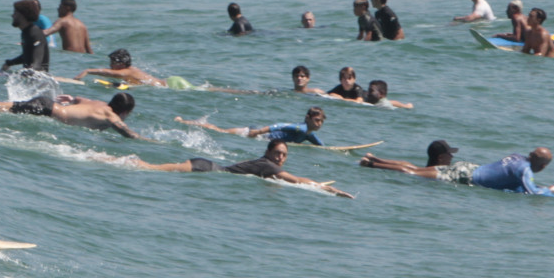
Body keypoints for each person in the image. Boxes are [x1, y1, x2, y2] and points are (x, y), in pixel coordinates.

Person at [114, 141, 354, 196]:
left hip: (206, 166)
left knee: (151, 168)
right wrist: (325, 189)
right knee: (149, 168)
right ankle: (122, 162)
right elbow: (295, 179)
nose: (281, 157)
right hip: (205, 169)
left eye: (284, 155)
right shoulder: (267, 164)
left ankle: (125, 162)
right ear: (269, 153)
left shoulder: (267, 166)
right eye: (277, 153)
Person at [0, 82, 142, 137]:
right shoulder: (110, 115)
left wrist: (71, 98)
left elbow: (79, 98)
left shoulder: (100, 104)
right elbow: (127, 133)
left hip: (48, 104)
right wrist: (148, 141)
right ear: (124, 111)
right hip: (46, 109)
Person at [176, 106, 327, 144]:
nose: (319, 124)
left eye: (321, 121)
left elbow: (320, 145)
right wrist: (258, 132)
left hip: (262, 136)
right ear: (308, 118)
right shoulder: (301, 128)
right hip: (259, 134)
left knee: (222, 130)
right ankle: (186, 122)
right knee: (221, 130)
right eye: (316, 120)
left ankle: (197, 122)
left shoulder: (310, 134)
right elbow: (279, 125)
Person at [360, 140, 477, 184]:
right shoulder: (435, 172)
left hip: (427, 168)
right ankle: (371, 163)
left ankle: (374, 159)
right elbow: (406, 170)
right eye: (449, 154)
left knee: (411, 167)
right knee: (411, 171)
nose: (451, 156)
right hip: (429, 175)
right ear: (440, 158)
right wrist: (372, 166)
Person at [465, 147, 554, 193]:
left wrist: (542, 188)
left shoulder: (515, 156)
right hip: (466, 179)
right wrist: (550, 190)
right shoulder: (525, 170)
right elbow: (532, 192)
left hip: (467, 168)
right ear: (543, 166)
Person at [2, 0, 51, 73]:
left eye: (15, 12)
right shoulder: (26, 32)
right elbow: (27, 56)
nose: (12, 15)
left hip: (39, 80)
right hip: (30, 77)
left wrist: (28, 71)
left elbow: (37, 62)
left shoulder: (35, 33)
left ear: (23, 15)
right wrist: (9, 63)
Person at [75, 49, 165, 88]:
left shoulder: (126, 72)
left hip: (163, 86)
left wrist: (87, 71)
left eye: (113, 63)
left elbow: (108, 72)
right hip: (165, 82)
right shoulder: (132, 69)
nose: (110, 66)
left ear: (121, 64)